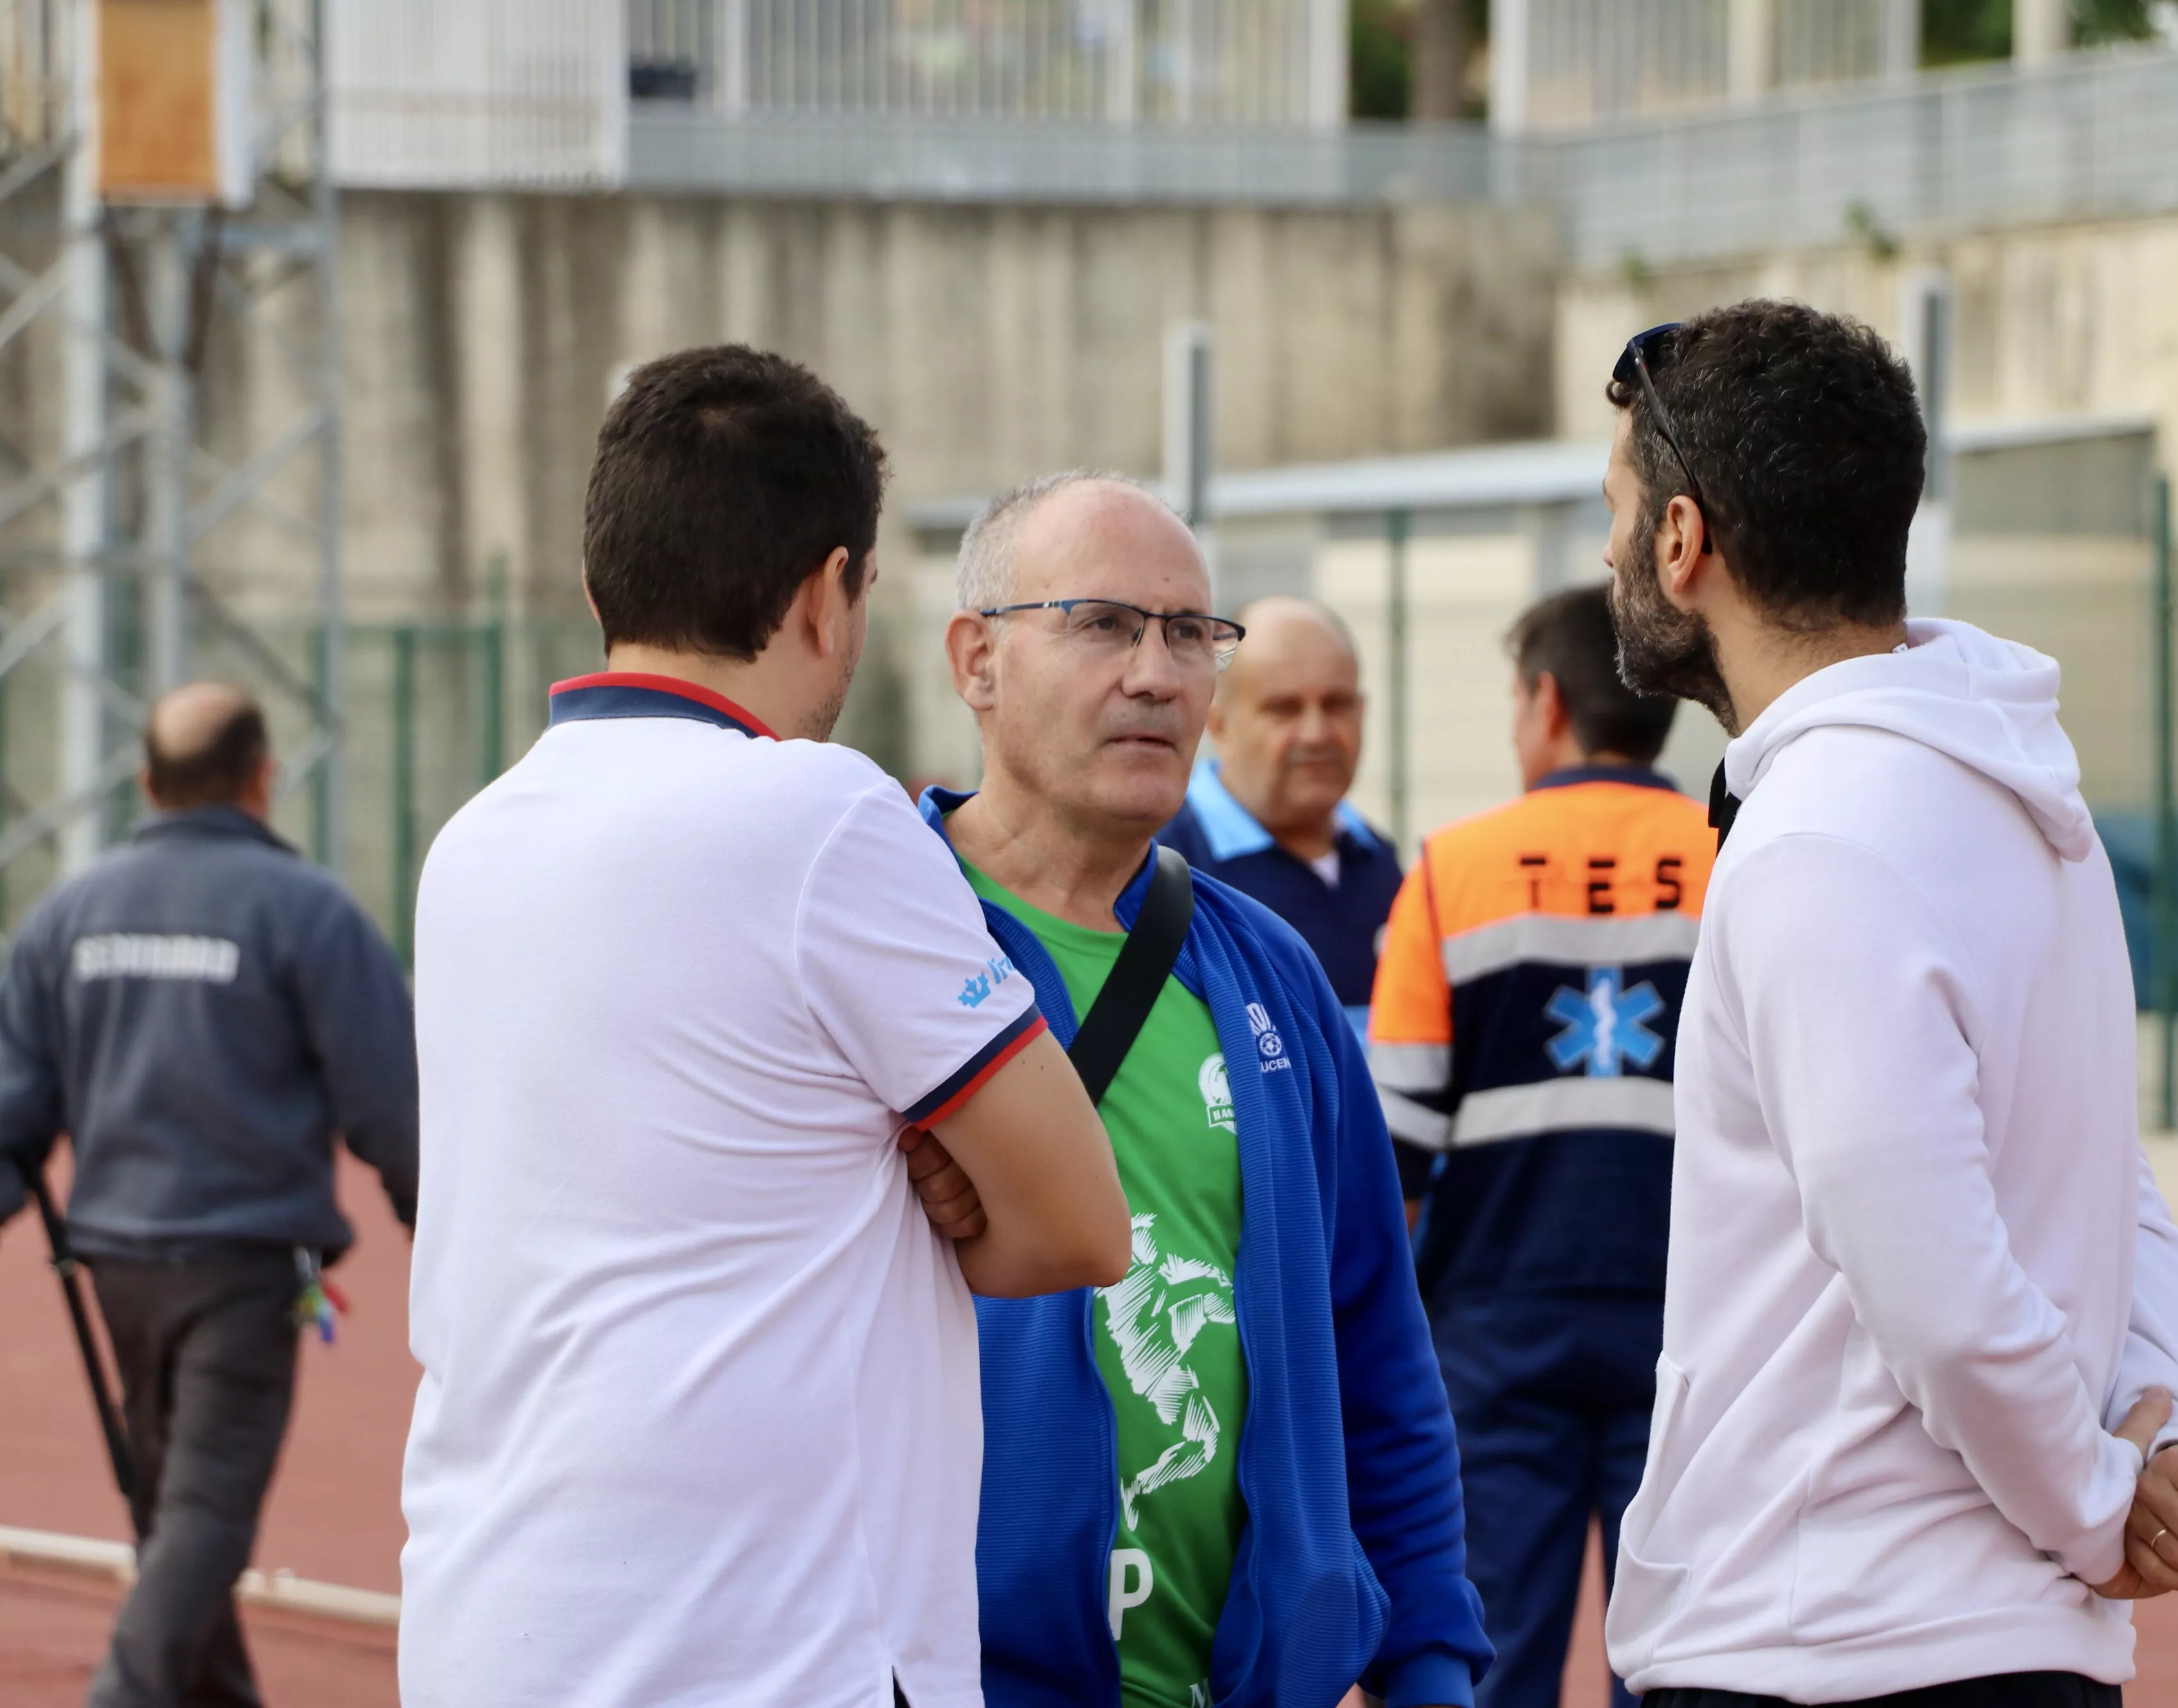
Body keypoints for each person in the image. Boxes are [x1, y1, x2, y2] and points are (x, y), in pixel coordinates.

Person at [398, 347, 1129, 1708]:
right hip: (771, 1644)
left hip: (485, 1619)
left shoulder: (472, 842)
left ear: (598, 585)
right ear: (829, 592)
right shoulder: (820, 813)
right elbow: (1082, 1220)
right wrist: (934, 1183)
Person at [1594, 302, 2178, 1708]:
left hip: (1829, 1646)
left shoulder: (1817, 841)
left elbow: (1939, 1287)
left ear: (1682, 538)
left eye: (1615, 513)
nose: (1607, 554)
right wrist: (2164, 1431)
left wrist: (2103, 1502)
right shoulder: (2023, 797)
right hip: (1981, 1640)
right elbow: (2108, 1173)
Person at [925, 469, 1490, 1708]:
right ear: (977, 660)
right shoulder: (874, 940)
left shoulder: (1262, 971)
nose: (1156, 673)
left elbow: (1377, 1356)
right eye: (1102, 624)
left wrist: (1431, 1666)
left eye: (1189, 632)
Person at [0, 682, 417, 1708]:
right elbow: (390, 1101)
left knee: (174, 1509)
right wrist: (443, 1234)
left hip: (120, 1266)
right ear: (263, 779)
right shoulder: (310, 913)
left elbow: (14, 1110)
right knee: (202, 1517)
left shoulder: (68, 915)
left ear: (148, 784)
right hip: (242, 1269)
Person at [1369, 581, 1717, 1708]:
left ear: (1543, 702)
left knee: (1486, 1651)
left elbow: (1396, 1149)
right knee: (1679, 1658)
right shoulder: (1735, 857)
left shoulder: (1452, 871)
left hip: (1491, 1333)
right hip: (1695, 1329)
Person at [1159, 596, 1400, 1031]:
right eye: (1284, 709)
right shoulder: (1164, 868)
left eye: (1336, 704)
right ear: (1219, 726)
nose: (1316, 733)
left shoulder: (1378, 861)